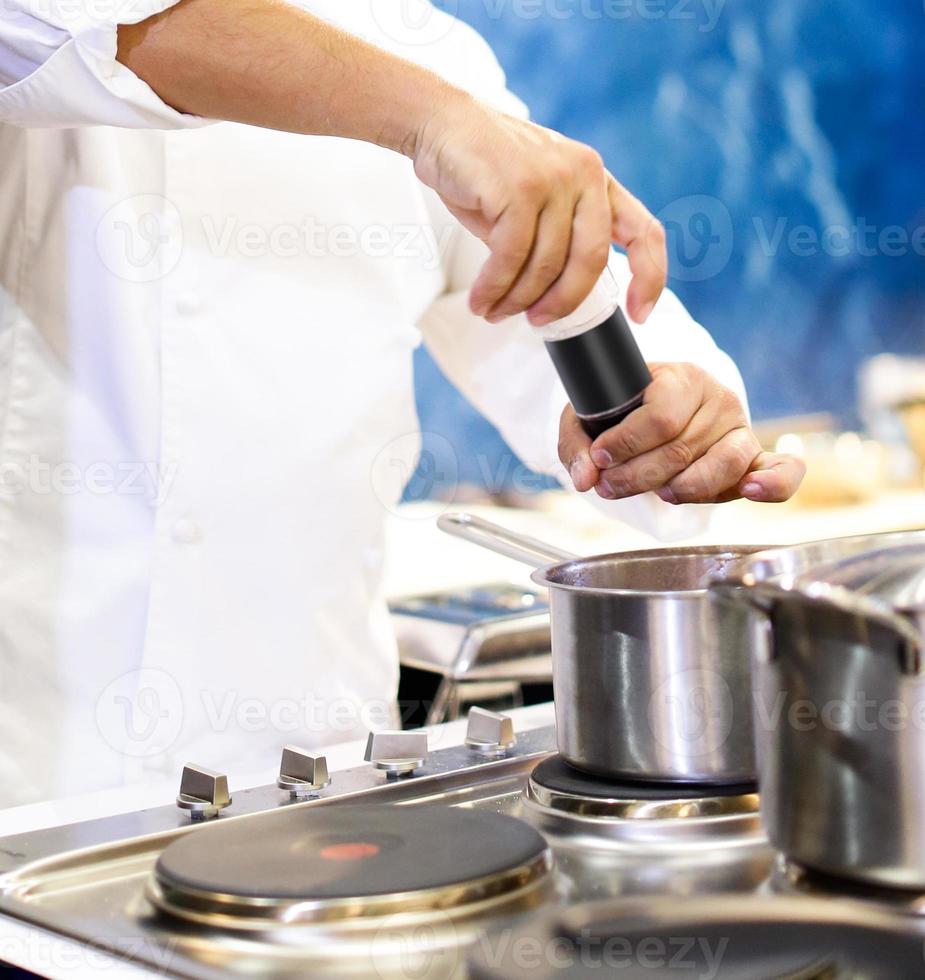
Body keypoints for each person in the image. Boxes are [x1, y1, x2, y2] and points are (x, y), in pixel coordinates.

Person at [0, 0, 803, 808]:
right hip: (37, 793)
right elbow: (78, 32)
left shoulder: (419, 48)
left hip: (316, 787)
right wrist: (433, 121)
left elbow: (571, 311)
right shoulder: (425, 95)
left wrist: (676, 416)